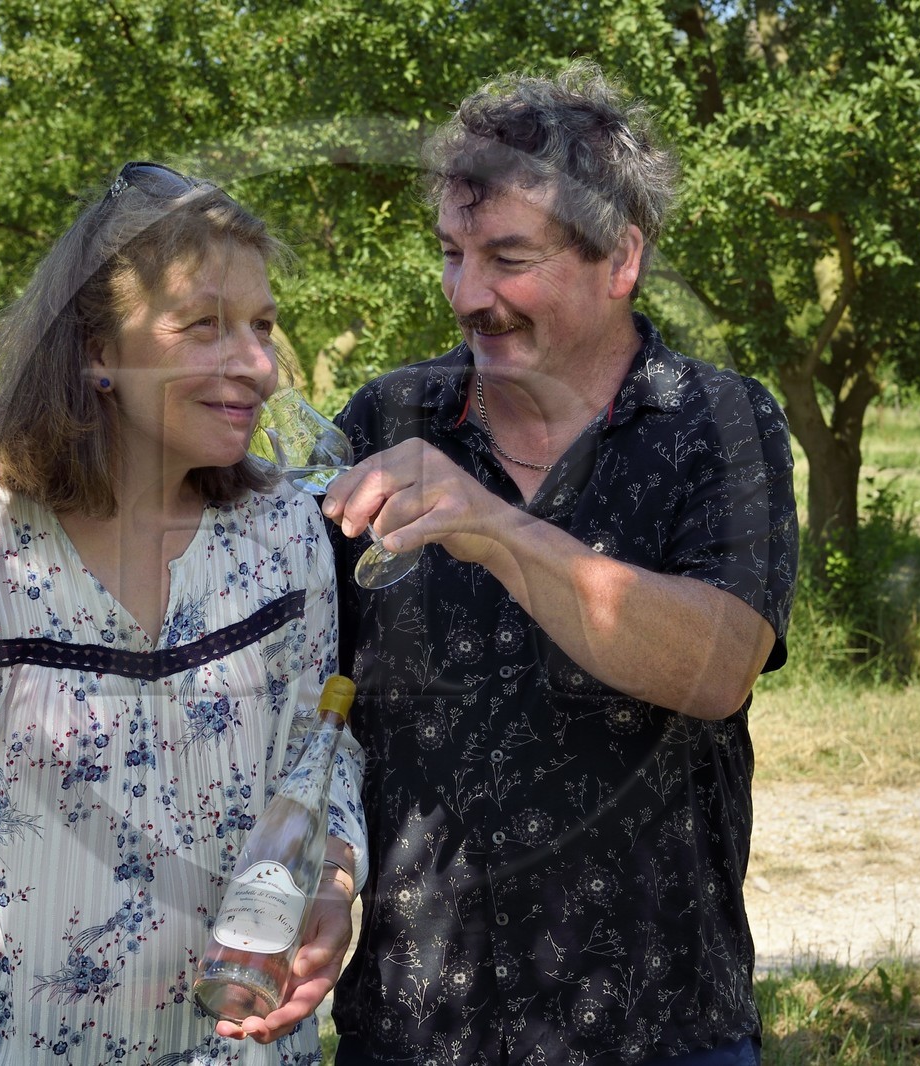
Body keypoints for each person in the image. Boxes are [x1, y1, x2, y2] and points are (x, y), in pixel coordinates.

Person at [0, 162, 367, 1066]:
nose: (257, 364)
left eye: (263, 325)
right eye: (203, 325)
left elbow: (314, 754)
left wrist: (330, 880)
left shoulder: (283, 533)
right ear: (95, 350)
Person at [318, 62, 799, 1065]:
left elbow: (718, 665)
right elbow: (305, 701)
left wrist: (493, 526)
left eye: (508, 257)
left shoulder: (719, 422)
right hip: (412, 1027)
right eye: (451, 254)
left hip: (662, 1025)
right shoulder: (385, 420)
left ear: (620, 257)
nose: (468, 293)